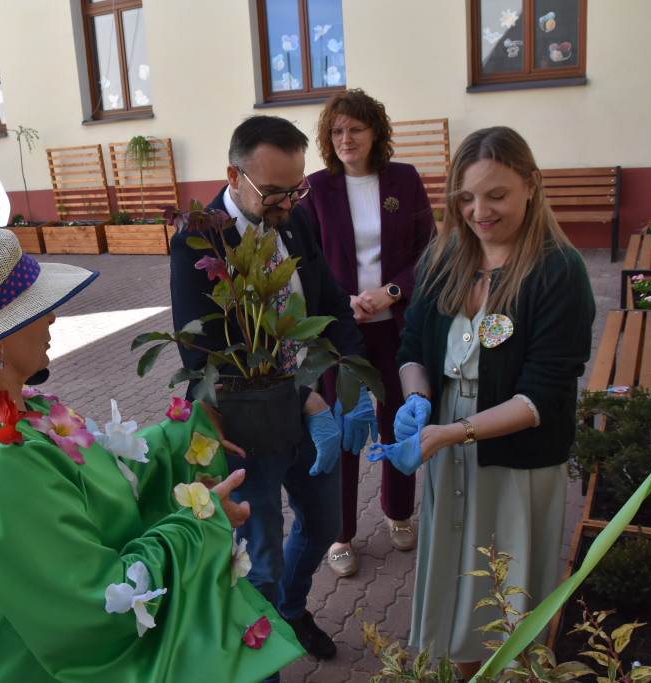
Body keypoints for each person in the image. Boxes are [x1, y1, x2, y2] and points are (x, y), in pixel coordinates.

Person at [0, 229, 304, 682]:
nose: (53, 317)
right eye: (37, 307)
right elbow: (94, 602)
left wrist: (181, 437)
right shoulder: (0, 459)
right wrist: (201, 524)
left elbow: (95, 472)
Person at [367, 126, 595, 676]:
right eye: (465, 198)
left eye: (496, 194)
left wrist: (453, 433)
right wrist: (418, 400)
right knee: (455, 577)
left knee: (503, 592)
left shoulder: (558, 272)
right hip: (446, 439)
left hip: (514, 458)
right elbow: (413, 345)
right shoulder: (444, 259)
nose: (479, 211)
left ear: (532, 185)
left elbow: (543, 394)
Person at [169, 114, 377, 669]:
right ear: (233, 177)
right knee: (260, 560)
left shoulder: (293, 220)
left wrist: (353, 381)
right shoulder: (197, 241)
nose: (288, 203)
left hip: (312, 414)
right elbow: (204, 357)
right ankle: (259, 659)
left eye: (297, 188)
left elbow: (330, 302)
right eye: (274, 192)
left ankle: (290, 610)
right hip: (248, 430)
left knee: (326, 527)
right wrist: (307, 399)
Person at [298, 89, 436, 577]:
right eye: (336, 131)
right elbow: (307, 263)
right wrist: (344, 300)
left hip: (395, 329)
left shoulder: (404, 179)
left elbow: (428, 251)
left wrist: (392, 291)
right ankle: (340, 532)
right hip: (341, 337)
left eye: (355, 128)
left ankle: (398, 512)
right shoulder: (314, 188)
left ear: (375, 132)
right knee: (343, 427)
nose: (345, 138)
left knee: (398, 422)